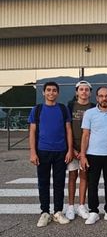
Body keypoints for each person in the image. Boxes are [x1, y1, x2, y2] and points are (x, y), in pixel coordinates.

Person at [28, 81, 74, 227]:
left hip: (61, 151)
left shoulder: (63, 109)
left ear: (58, 93)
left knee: (59, 183)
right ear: (43, 93)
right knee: (43, 183)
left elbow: (68, 130)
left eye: (54, 90)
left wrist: (70, 150)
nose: (51, 93)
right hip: (42, 151)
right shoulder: (37, 110)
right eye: (48, 90)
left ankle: (58, 212)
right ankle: (45, 213)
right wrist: (33, 152)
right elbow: (32, 132)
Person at [80, 86, 107, 224]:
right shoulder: (90, 113)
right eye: (101, 96)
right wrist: (83, 155)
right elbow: (85, 136)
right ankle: (93, 211)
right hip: (93, 154)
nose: (104, 98)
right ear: (97, 98)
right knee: (93, 184)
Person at [65, 80, 94, 221]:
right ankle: (70, 206)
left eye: (86, 90)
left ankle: (81, 205)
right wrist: (71, 149)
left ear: (90, 92)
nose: (84, 92)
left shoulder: (93, 107)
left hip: (87, 149)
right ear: (77, 92)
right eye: (81, 89)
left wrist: (83, 152)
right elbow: (66, 129)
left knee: (84, 176)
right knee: (72, 176)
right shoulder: (70, 107)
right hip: (73, 148)